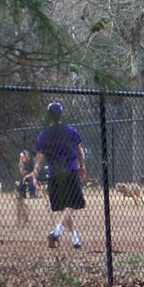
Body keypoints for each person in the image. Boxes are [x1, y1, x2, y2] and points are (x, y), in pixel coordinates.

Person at [33, 102, 86, 249]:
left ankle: (75, 239)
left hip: (54, 173)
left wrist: (35, 173)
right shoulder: (70, 131)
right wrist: (82, 167)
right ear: (61, 114)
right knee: (70, 205)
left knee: (64, 208)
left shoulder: (44, 135)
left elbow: (39, 157)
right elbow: (80, 152)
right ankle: (56, 232)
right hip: (69, 170)